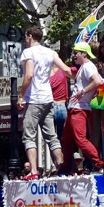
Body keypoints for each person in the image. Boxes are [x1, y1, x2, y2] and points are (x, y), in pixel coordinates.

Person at [18, 25, 70, 180]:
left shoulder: (28, 52)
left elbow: (29, 75)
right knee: (51, 136)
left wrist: (21, 96)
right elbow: (66, 70)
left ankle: (34, 170)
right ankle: (61, 166)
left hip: (34, 99)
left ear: (29, 36)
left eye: (25, 37)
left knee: (29, 136)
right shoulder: (50, 52)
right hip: (48, 99)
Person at [59, 42, 104, 175]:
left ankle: (99, 164)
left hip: (79, 109)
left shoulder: (88, 66)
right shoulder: (84, 67)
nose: (74, 56)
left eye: (76, 53)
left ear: (84, 54)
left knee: (80, 139)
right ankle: (67, 168)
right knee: (66, 140)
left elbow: (98, 81)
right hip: (74, 109)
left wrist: (83, 92)